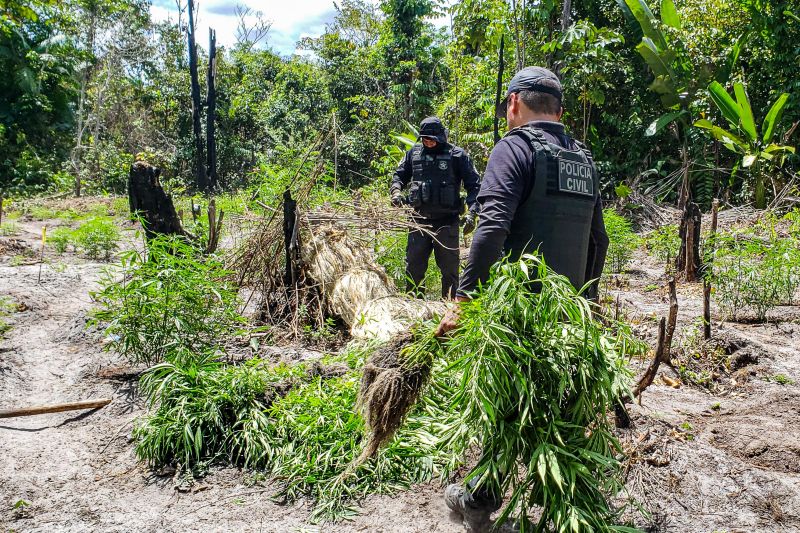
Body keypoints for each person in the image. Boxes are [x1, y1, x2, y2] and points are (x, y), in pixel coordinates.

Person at [436, 67, 609, 532]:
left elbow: (491, 225)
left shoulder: (514, 148)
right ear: (560, 110)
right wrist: (585, 302)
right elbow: (599, 241)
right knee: (551, 407)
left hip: (519, 308)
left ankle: (477, 502)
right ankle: (549, 510)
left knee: (509, 402)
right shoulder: (583, 159)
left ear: (513, 103)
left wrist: (464, 297)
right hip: (568, 310)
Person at [390, 116, 482, 299]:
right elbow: (399, 176)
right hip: (418, 221)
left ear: (441, 137)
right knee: (414, 269)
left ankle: (449, 310)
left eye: (432, 139)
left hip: (447, 223)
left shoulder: (457, 155)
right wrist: (396, 192)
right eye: (425, 139)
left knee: (449, 271)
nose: (428, 143)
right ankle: (415, 310)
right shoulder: (413, 154)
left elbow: (475, 186)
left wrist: (473, 213)